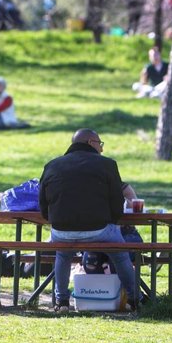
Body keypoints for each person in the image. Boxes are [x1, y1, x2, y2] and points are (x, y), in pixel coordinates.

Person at [39, 128, 142, 312]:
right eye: (99, 144)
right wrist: (113, 220)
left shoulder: (52, 165)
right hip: (99, 229)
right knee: (120, 252)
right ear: (90, 143)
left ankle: (61, 301)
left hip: (61, 230)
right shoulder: (107, 165)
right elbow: (117, 202)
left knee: (63, 253)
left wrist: (55, 221)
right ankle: (135, 299)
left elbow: (42, 204)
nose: (101, 149)